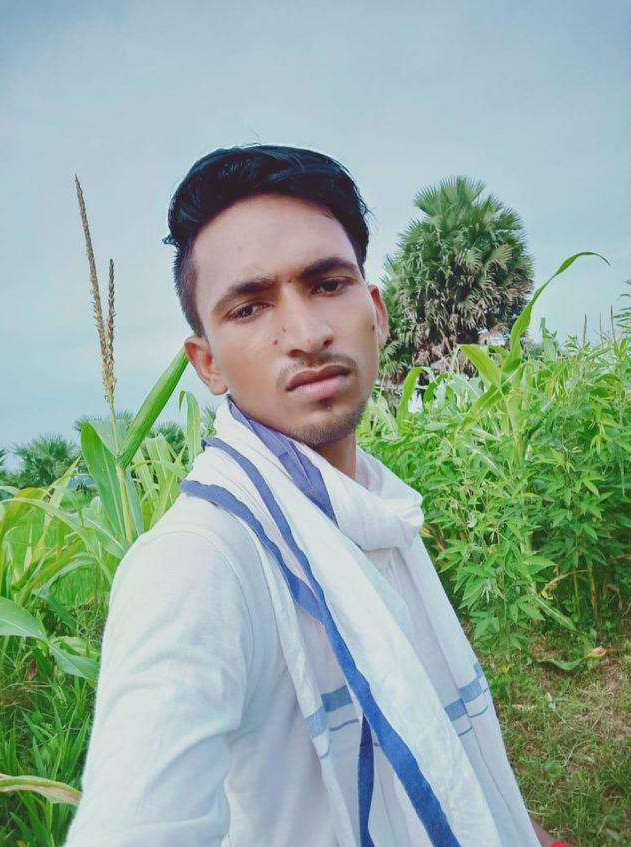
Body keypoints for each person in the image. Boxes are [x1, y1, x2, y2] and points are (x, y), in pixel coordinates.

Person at [64, 145, 568, 847]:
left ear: (376, 311)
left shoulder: (376, 509)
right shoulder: (198, 562)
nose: (305, 335)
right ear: (207, 364)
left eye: (328, 284)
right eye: (249, 307)